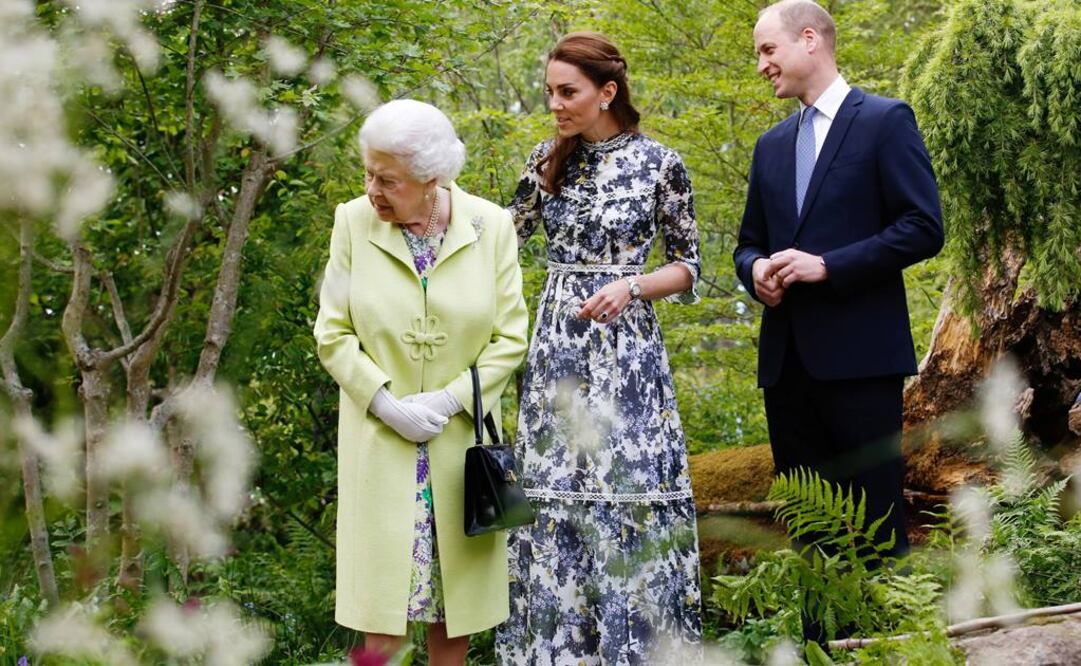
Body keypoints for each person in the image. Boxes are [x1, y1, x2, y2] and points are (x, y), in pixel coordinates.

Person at [733, 0, 944, 637]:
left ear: (808, 40)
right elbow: (747, 243)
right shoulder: (771, 145)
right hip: (786, 364)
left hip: (861, 361)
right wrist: (757, 273)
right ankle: (822, 647)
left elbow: (922, 228)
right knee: (811, 528)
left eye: (768, 50)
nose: (762, 65)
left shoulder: (884, 121)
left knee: (876, 523)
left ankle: (892, 646)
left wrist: (829, 265)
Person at [498, 32, 703, 665]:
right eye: (549, 93)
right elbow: (498, 239)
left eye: (568, 92)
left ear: (606, 92)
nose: (555, 104)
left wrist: (633, 286)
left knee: (628, 495)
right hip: (558, 350)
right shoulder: (546, 161)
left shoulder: (660, 164)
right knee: (553, 497)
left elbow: (690, 267)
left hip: (628, 358)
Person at [314, 99, 529, 665]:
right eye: (368, 173)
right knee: (379, 618)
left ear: (432, 179)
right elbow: (333, 333)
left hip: (460, 445)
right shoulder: (353, 223)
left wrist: (449, 399)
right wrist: (385, 403)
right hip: (381, 443)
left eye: (388, 180)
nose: (372, 190)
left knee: (451, 619)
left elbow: (510, 338)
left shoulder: (491, 226)